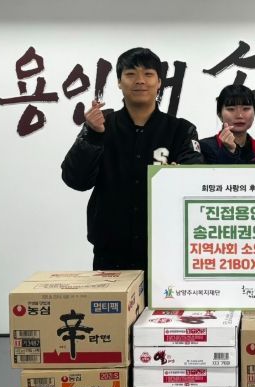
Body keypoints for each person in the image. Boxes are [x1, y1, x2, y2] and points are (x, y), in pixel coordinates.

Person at [61, 47, 203, 271]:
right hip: (110, 252)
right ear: (119, 82)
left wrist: (179, 175)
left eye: (148, 74)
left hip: (166, 249)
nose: (140, 81)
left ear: (159, 82)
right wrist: (93, 135)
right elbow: (76, 180)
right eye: (130, 74)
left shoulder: (181, 130)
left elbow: (196, 177)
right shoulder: (101, 126)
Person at [200, 84, 255, 164]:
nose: (239, 115)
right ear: (220, 115)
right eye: (231, 109)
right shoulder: (203, 149)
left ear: (254, 113)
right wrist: (228, 152)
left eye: (246, 109)